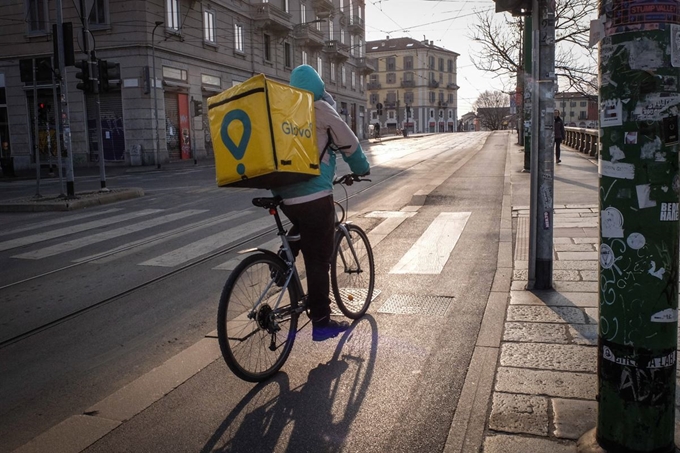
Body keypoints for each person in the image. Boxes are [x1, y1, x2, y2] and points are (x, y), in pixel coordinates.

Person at [271, 65, 370, 342]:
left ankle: (284, 257)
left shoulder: (284, 111)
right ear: (318, 86)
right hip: (315, 195)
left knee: (304, 227)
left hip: (285, 194)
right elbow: (349, 142)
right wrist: (361, 168)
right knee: (318, 260)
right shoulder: (321, 108)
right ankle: (322, 323)